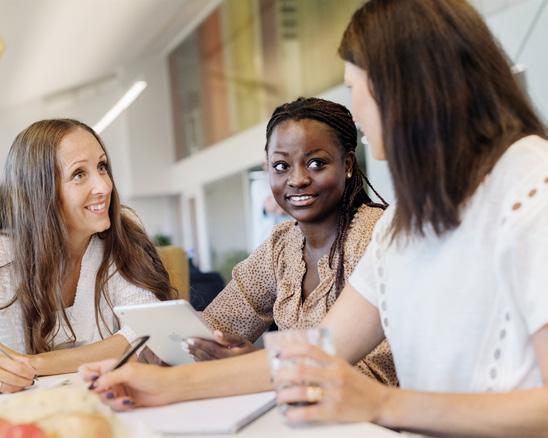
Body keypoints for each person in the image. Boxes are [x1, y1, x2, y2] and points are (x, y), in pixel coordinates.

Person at [264, 1, 548, 436]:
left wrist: (382, 403)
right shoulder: (406, 218)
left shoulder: (532, 189)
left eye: (354, 88)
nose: (355, 115)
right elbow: (313, 350)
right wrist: (168, 384)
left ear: (400, 88)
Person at [79, 97, 397, 409]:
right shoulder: (282, 245)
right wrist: (181, 349)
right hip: (300, 415)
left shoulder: (376, 237)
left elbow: (374, 376)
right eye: (281, 166)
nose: (297, 179)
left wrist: (256, 363)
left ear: (349, 165)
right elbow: (220, 322)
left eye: (316, 163)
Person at [0, 119, 173, 394]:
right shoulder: (4, 258)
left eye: (102, 167)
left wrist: (32, 363)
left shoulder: (120, 242)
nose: (104, 187)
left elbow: (145, 333)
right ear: (38, 191)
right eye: (79, 174)